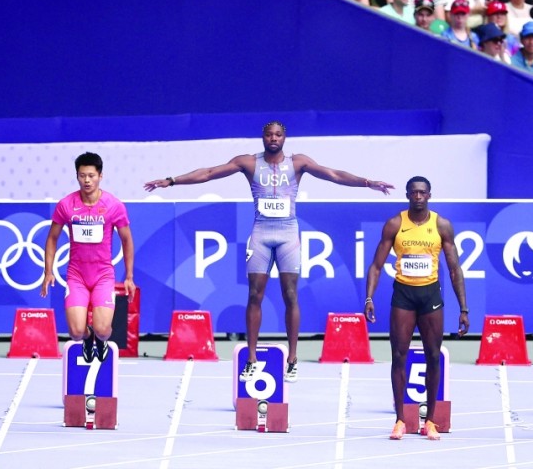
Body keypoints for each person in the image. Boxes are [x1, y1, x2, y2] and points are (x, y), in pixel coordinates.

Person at [144, 121, 393, 383]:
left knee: (290, 295)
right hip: (261, 234)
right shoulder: (249, 162)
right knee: (254, 295)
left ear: (285, 138)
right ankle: (251, 359)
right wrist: (171, 181)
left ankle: (292, 359)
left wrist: (368, 183)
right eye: (269, 134)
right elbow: (208, 173)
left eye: (278, 135)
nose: (273, 138)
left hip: (288, 234)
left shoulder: (298, 163)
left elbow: (333, 175)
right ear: (263, 137)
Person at [364, 176, 468, 441]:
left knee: (433, 356)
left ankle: (430, 421)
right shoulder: (395, 224)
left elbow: (454, 269)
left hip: (430, 295)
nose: (418, 196)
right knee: (398, 355)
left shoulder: (441, 225)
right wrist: (369, 298)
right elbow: (376, 266)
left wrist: (464, 309)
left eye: (422, 192)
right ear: (408, 195)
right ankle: (400, 420)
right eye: (414, 192)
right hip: (404, 295)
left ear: (429, 195)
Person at [41, 152, 135, 364]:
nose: (87, 180)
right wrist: (48, 271)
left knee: (103, 330)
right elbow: (52, 238)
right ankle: (87, 337)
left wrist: (129, 276)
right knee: (75, 333)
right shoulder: (66, 205)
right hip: (77, 276)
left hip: (103, 275)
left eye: (91, 176)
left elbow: (127, 240)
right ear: (77, 176)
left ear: (100, 176)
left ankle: (100, 339)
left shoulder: (114, 205)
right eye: (82, 175)